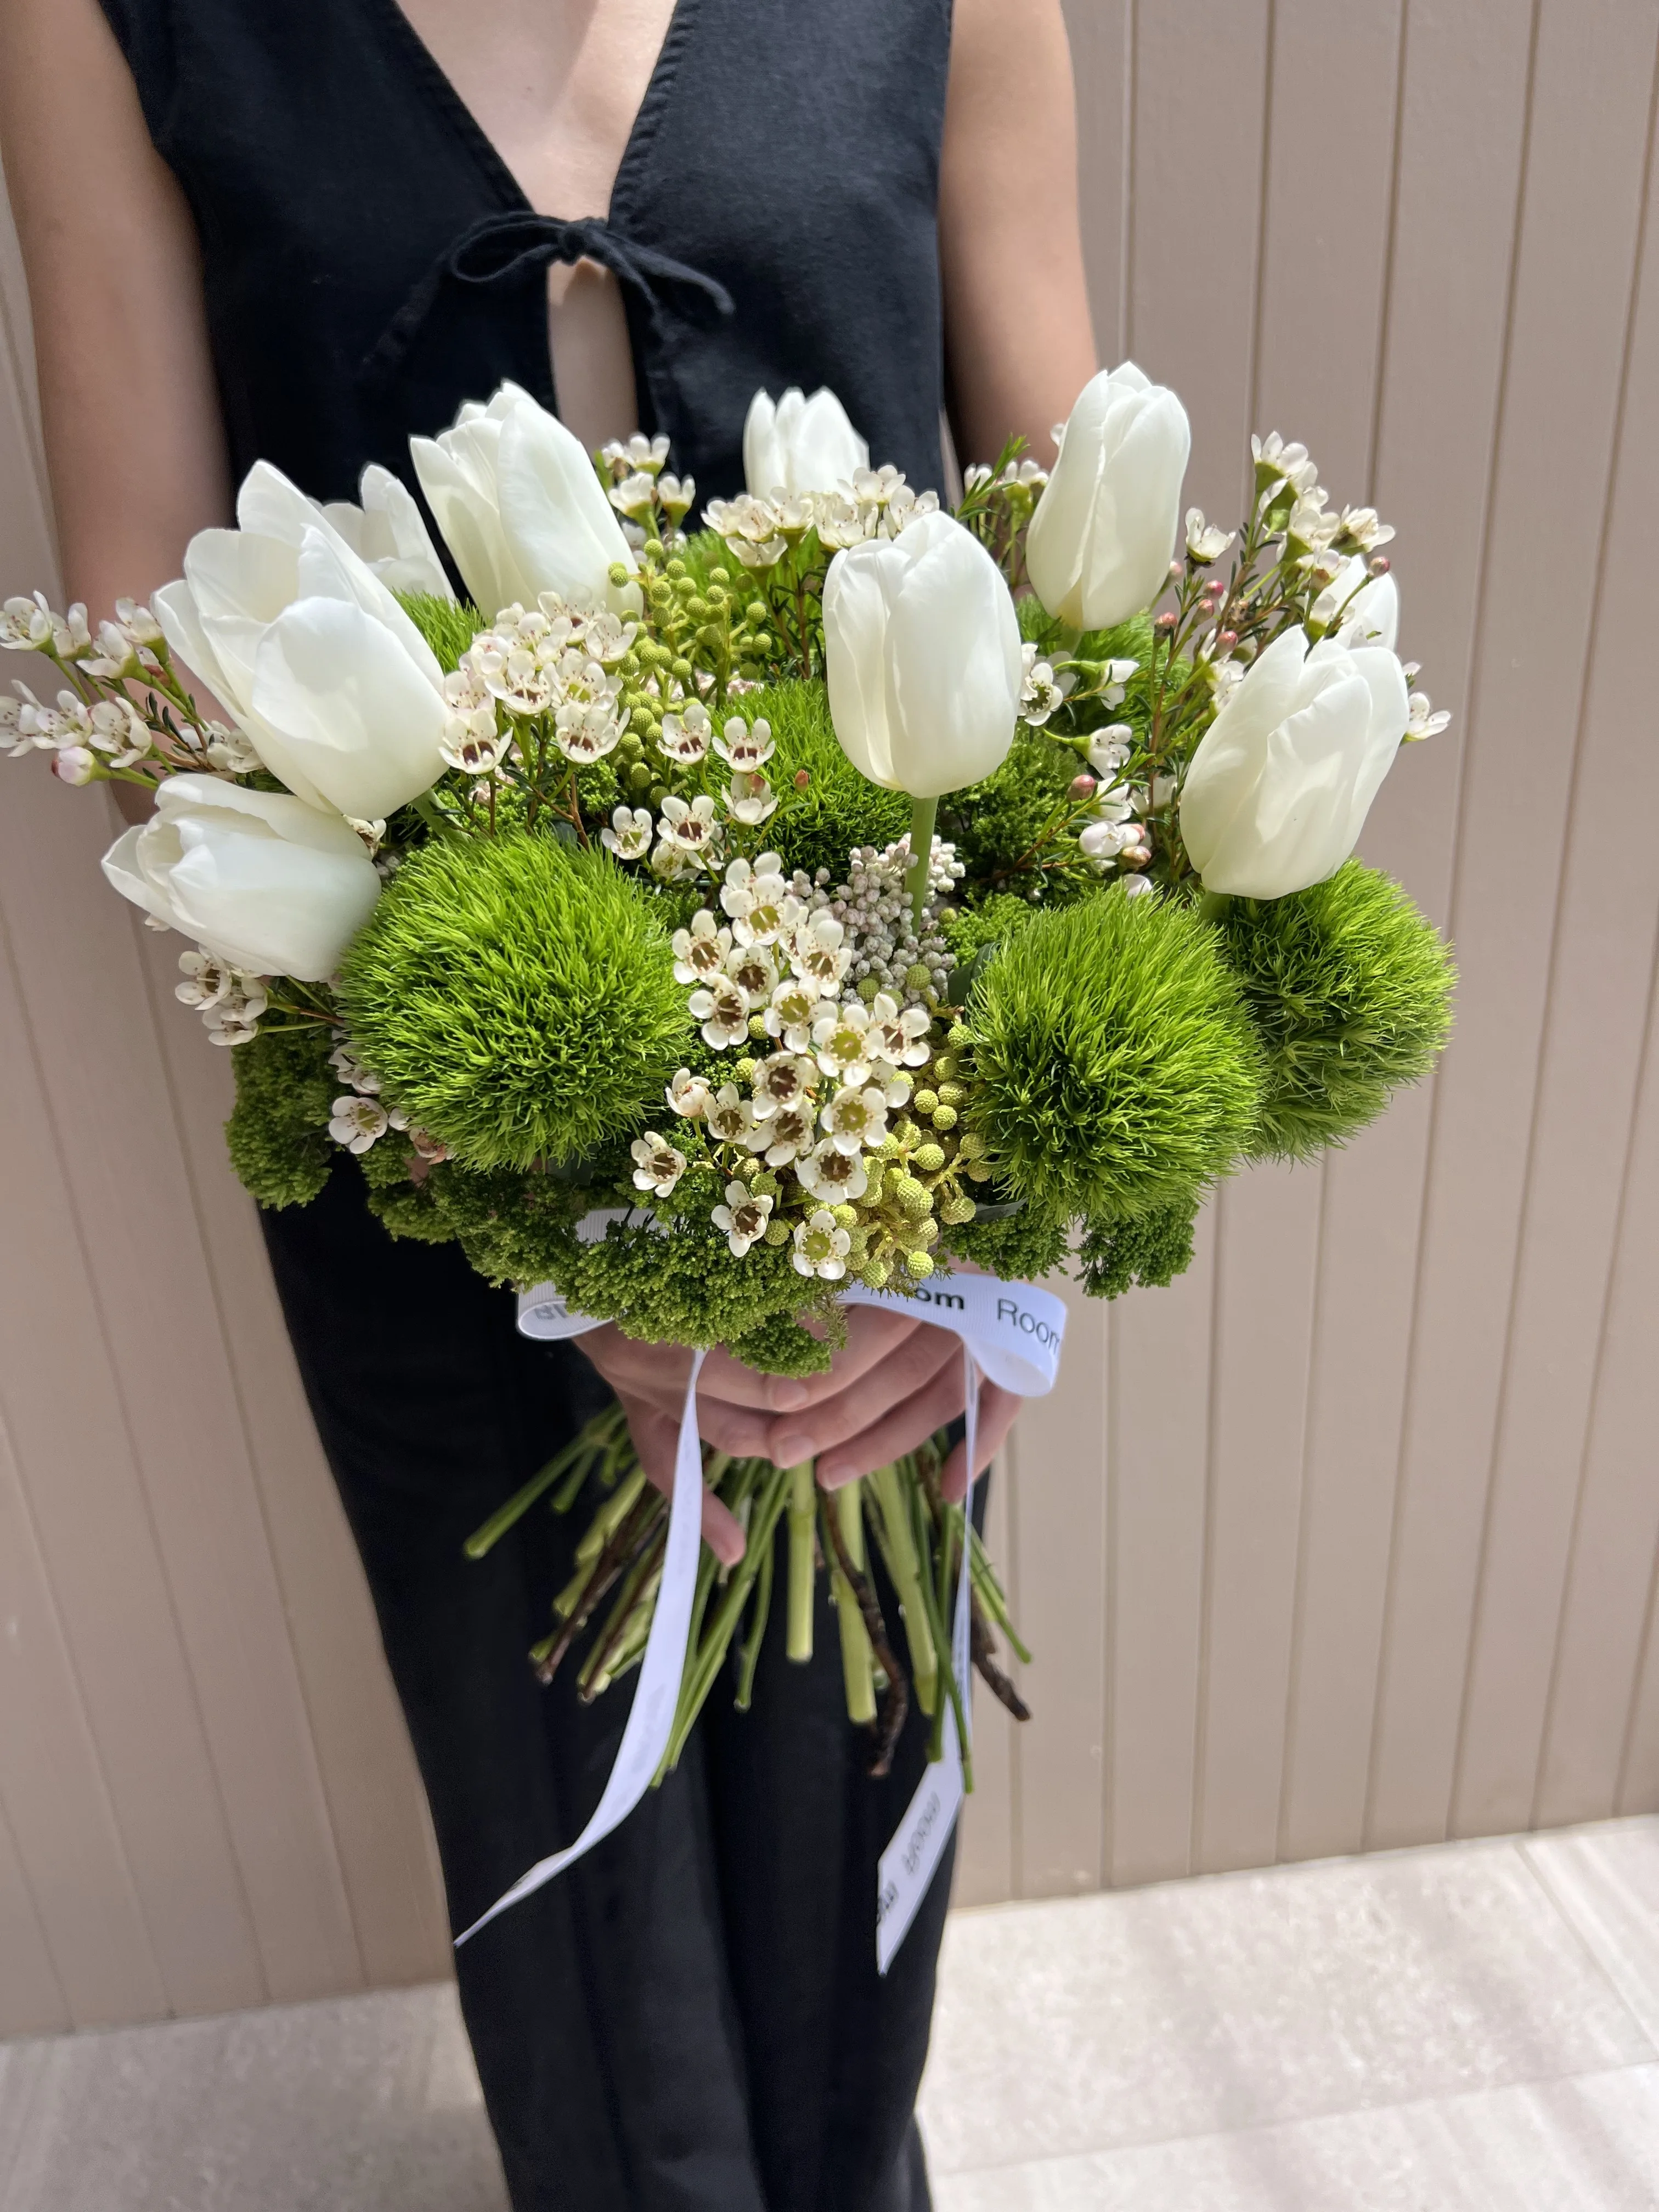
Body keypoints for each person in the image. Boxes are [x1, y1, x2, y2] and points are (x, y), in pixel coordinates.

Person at [0, 3, 1097, 2203]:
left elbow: (1086, 584)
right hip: (415, 1121)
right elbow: (143, 649)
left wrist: (990, 1161)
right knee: (553, 1831)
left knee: (859, 1783)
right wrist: (532, 1189)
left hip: (883, 1113)